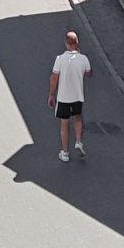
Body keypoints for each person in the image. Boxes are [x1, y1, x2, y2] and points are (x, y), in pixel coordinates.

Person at [48, 30, 91, 161]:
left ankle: (65, 153)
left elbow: (54, 78)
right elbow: (89, 73)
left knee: (64, 125)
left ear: (66, 43)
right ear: (77, 43)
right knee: (78, 118)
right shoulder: (83, 59)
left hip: (63, 97)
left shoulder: (60, 59)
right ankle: (78, 141)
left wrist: (51, 94)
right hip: (77, 96)